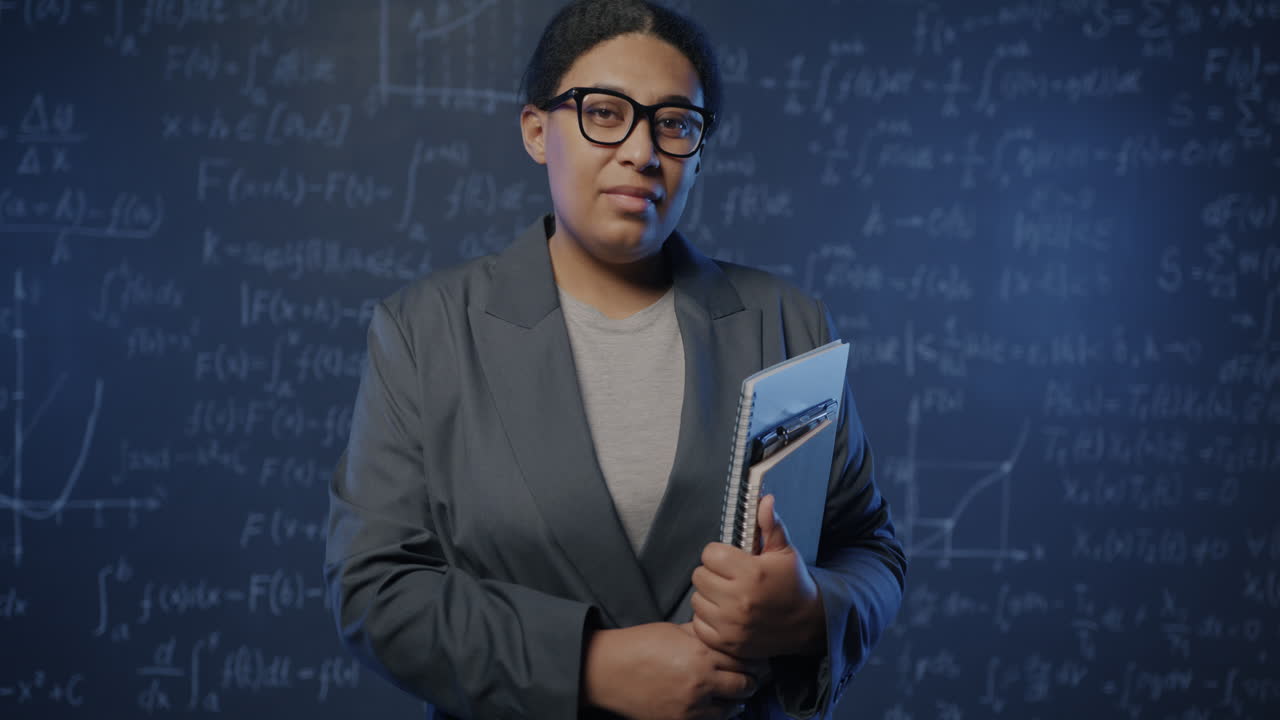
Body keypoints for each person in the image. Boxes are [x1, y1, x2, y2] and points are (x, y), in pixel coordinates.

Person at [323, 1, 906, 718]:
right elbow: (375, 590)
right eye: (604, 112)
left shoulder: (790, 323)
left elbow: (870, 548)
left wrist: (811, 609)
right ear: (537, 131)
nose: (642, 150)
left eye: (675, 123)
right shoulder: (424, 333)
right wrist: (591, 665)